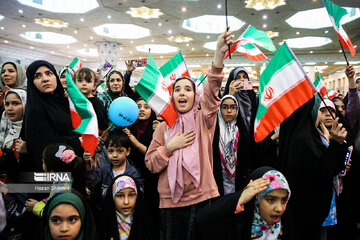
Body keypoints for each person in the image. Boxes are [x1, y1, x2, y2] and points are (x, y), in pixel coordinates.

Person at [144, 29, 233, 240]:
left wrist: (218, 55)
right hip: (170, 202)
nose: (182, 93)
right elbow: (150, 163)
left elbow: (212, 89)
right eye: (177, 89)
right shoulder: (162, 128)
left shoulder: (204, 120)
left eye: (188, 89)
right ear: (172, 97)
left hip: (201, 198)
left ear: (195, 96)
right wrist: (169, 147)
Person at [278, 96, 348, 239]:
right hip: (307, 213)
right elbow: (323, 171)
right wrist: (336, 144)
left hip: (296, 212)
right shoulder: (305, 140)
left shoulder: (297, 132)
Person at [194, 167, 290, 240]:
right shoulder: (236, 228)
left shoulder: (287, 230)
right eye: (271, 200)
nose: (279, 208)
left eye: (284, 200)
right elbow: (202, 219)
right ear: (256, 198)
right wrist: (239, 199)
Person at [21, 60, 82, 171]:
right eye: (37, 76)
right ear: (31, 82)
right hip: (53, 171)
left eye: (49, 73)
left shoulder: (63, 101)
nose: (45, 79)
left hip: (73, 163)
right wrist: (78, 141)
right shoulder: (35, 110)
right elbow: (47, 144)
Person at [223, 67, 278, 170]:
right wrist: (231, 96)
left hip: (255, 151)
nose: (242, 80)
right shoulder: (227, 100)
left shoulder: (254, 99)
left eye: (245, 77)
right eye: (238, 78)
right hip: (235, 151)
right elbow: (224, 120)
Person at [86, 128, 142, 210]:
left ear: (128, 151)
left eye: (119, 151)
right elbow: (92, 182)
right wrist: (88, 163)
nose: (115, 155)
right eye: (111, 151)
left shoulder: (133, 173)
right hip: (105, 212)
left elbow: (139, 194)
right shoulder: (103, 170)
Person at [25, 143, 86, 217]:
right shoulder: (65, 178)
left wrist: (35, 206)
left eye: (43, 162)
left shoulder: (63, 188)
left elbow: (55, 214)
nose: (42, 164)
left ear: (52, 171)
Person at [212, 94, 251, 196]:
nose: (229, 111)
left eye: (233, 107)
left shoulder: (242, 131)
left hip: (238, 179)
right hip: (219, 178)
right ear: (220, 109)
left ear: (237, 110)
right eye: (225, 107)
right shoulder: (214, 131)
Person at [101, 174, 158, 240]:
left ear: (137, 196)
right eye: (120, 196)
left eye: (131, 195)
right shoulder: (104, 222)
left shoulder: (146, 223)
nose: (126, 202)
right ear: (112, 198)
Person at [0, 89, 26, 156]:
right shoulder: (3, 126)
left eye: (15, 103)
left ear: (25, 104)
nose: (10, 108)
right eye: (7, 104)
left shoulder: (33, 129)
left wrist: (28, 150)